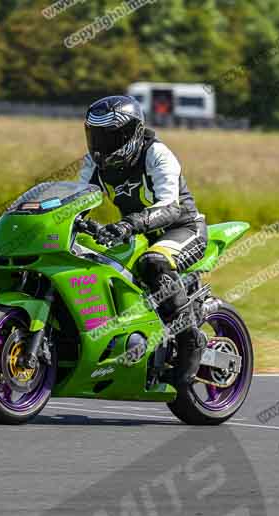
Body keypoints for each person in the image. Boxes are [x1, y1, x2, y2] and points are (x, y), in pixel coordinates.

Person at [78, 95, 208, 386]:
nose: (101, 146)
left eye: (111, 137)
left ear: (133, 133)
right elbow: (78, 198)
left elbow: (170, 206)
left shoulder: (157, 153)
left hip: (183, 230)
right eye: (96, 136)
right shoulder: (94, 162)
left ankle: (190, 341)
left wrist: (128, 224)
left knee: (154, 262)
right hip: (137, 234)